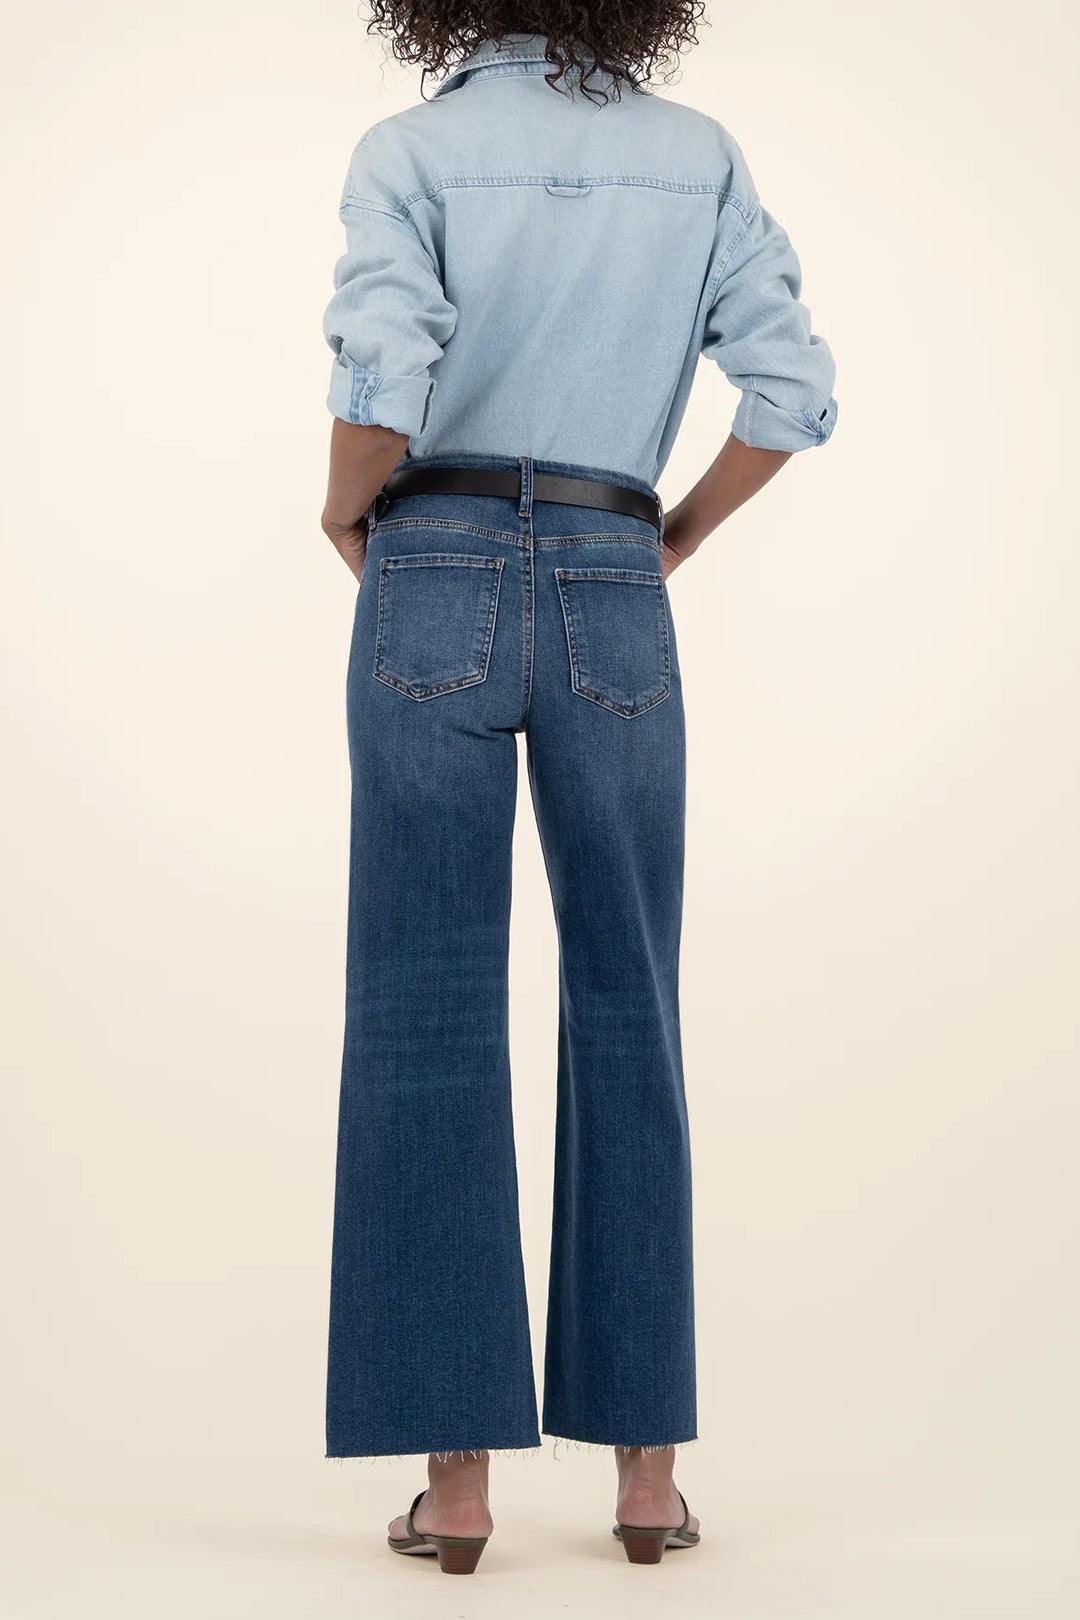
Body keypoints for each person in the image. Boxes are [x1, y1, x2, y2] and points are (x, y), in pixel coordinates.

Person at [319, 2, 837, 1575]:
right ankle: (647, 1481)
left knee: (421, 1001)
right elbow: (791, 389)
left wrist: (345, 514)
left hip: (433, 555)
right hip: (616, 565)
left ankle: (458, 1491)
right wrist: (672, 532)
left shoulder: (411, 151)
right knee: (629, 998)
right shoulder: (697, 155)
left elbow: (384, 372)